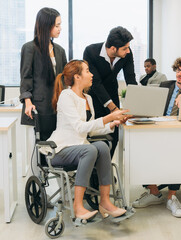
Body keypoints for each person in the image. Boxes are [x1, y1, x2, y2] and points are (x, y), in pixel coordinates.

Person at [48, 60, 131, 220]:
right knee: (91, 149)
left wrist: (112, 124)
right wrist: (108, 117)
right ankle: (78, 207)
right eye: (87, 71)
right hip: (61, 150)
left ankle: (105, 202)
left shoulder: (88, 98)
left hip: (80, 148)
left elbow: (90, 130)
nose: (92, 74)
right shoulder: (66, 96)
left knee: (102, 145)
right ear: (77, 77)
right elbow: (79, 127)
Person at [132, 56, 181, 218]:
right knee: (137, 148)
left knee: (176, 152)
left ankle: (171, 197)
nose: (180, 74)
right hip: (159, 128)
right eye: (178, 70)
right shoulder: (165, 85)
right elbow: (151, 105)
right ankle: (154, 192)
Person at [83, 26, 138, 157]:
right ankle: (93, 175)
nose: (128, 51)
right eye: (124, 48)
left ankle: (104, 171)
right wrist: (113, 109)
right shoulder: (91, 51)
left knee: (114, 135)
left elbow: (131, 80)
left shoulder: (126, 55)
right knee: (97, 136)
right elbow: (96, 83)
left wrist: (136, 108)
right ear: (113, 48)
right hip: (94, 99)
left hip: (113, 95)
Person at [19, 7, 67, 142]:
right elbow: (25, 78)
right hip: (38, 108)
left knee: (57, 146)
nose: (60, 28)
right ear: (46, 26)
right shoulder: (29, 48)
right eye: (57, 25)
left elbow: (64, 79)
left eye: (60, 25)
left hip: (57, 107)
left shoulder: (60, 50)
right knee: (40, 150)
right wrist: (28, 102)